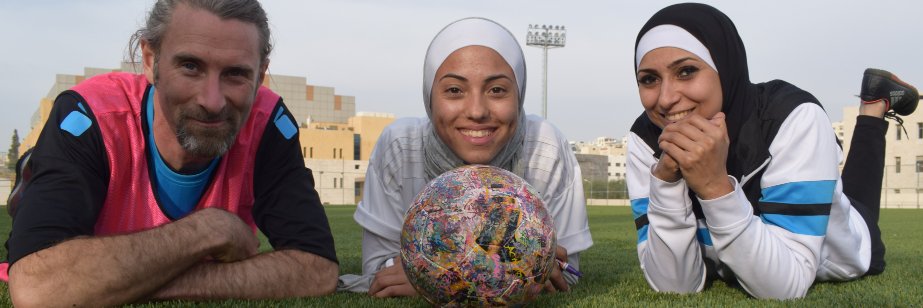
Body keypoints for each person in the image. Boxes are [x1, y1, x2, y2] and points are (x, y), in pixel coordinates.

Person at [3, 0, 339, 305]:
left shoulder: (267, 124)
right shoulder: (90, 115)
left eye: (236, 74)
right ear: (151, 61)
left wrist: (129, 282)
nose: (212, 101)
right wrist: (208, 230)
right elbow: (38, 288)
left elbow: (318, 268)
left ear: (260, 75)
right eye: (190, 66)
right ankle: (35, 171)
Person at [626, 3, 919, 300]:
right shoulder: (645, 139)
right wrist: (666, 183)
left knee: (859, 206)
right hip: (742, 256)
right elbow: (674, 288)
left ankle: (873, 106)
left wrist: (714, 187)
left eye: (686, 71)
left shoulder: (791, 116)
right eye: (649, 79)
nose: (666, 99)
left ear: (726, 67)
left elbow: (784, 288)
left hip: (839, 249)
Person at [342, 17, 593, 297]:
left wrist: (435, 274)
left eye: (497, 90)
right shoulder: (400, 146)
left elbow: (564, 274)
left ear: (519, 95)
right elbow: (380, 272)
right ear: (429, 97)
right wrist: (511, 266)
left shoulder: (545, 146)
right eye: (454, 90)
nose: (476, 111)